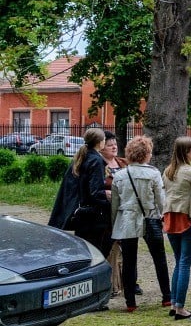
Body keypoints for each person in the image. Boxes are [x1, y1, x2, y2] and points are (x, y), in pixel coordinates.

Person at [111, 136, 170, 312]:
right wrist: (162, 215)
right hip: (150, 217)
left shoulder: (119, 175)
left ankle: (130, 301)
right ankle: (167, 296)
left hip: (127, 219)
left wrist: (115, 223)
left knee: (129, 261)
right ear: (146, 154)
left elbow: (114, 204)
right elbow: (161, 200)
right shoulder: (153, 173)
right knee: (159, 259)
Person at [49, 128, 112, 257]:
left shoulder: (82, 157)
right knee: (95, 253)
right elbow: (95, 191)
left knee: (83, 250)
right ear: (100, 142)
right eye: (104, 140)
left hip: (81, 212)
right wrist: (106, 197)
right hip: (93, 215)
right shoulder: (95, 160)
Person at [162, 136, 191, 319]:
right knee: (185, 262)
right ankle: (180, 307)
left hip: (170, 218)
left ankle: (174, 304)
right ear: (186, 152)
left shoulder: (168, 170)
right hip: (187, 218)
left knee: (179, 261)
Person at [101, 131, 128, 297]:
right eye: (110, 144)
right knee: (110, 247)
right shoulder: (99, 165)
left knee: (126, 247)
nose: (114, 147)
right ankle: (111, 283)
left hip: (124, 210)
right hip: (108, 211)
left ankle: (128, 281)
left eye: (115, 144)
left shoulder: (123, 163)